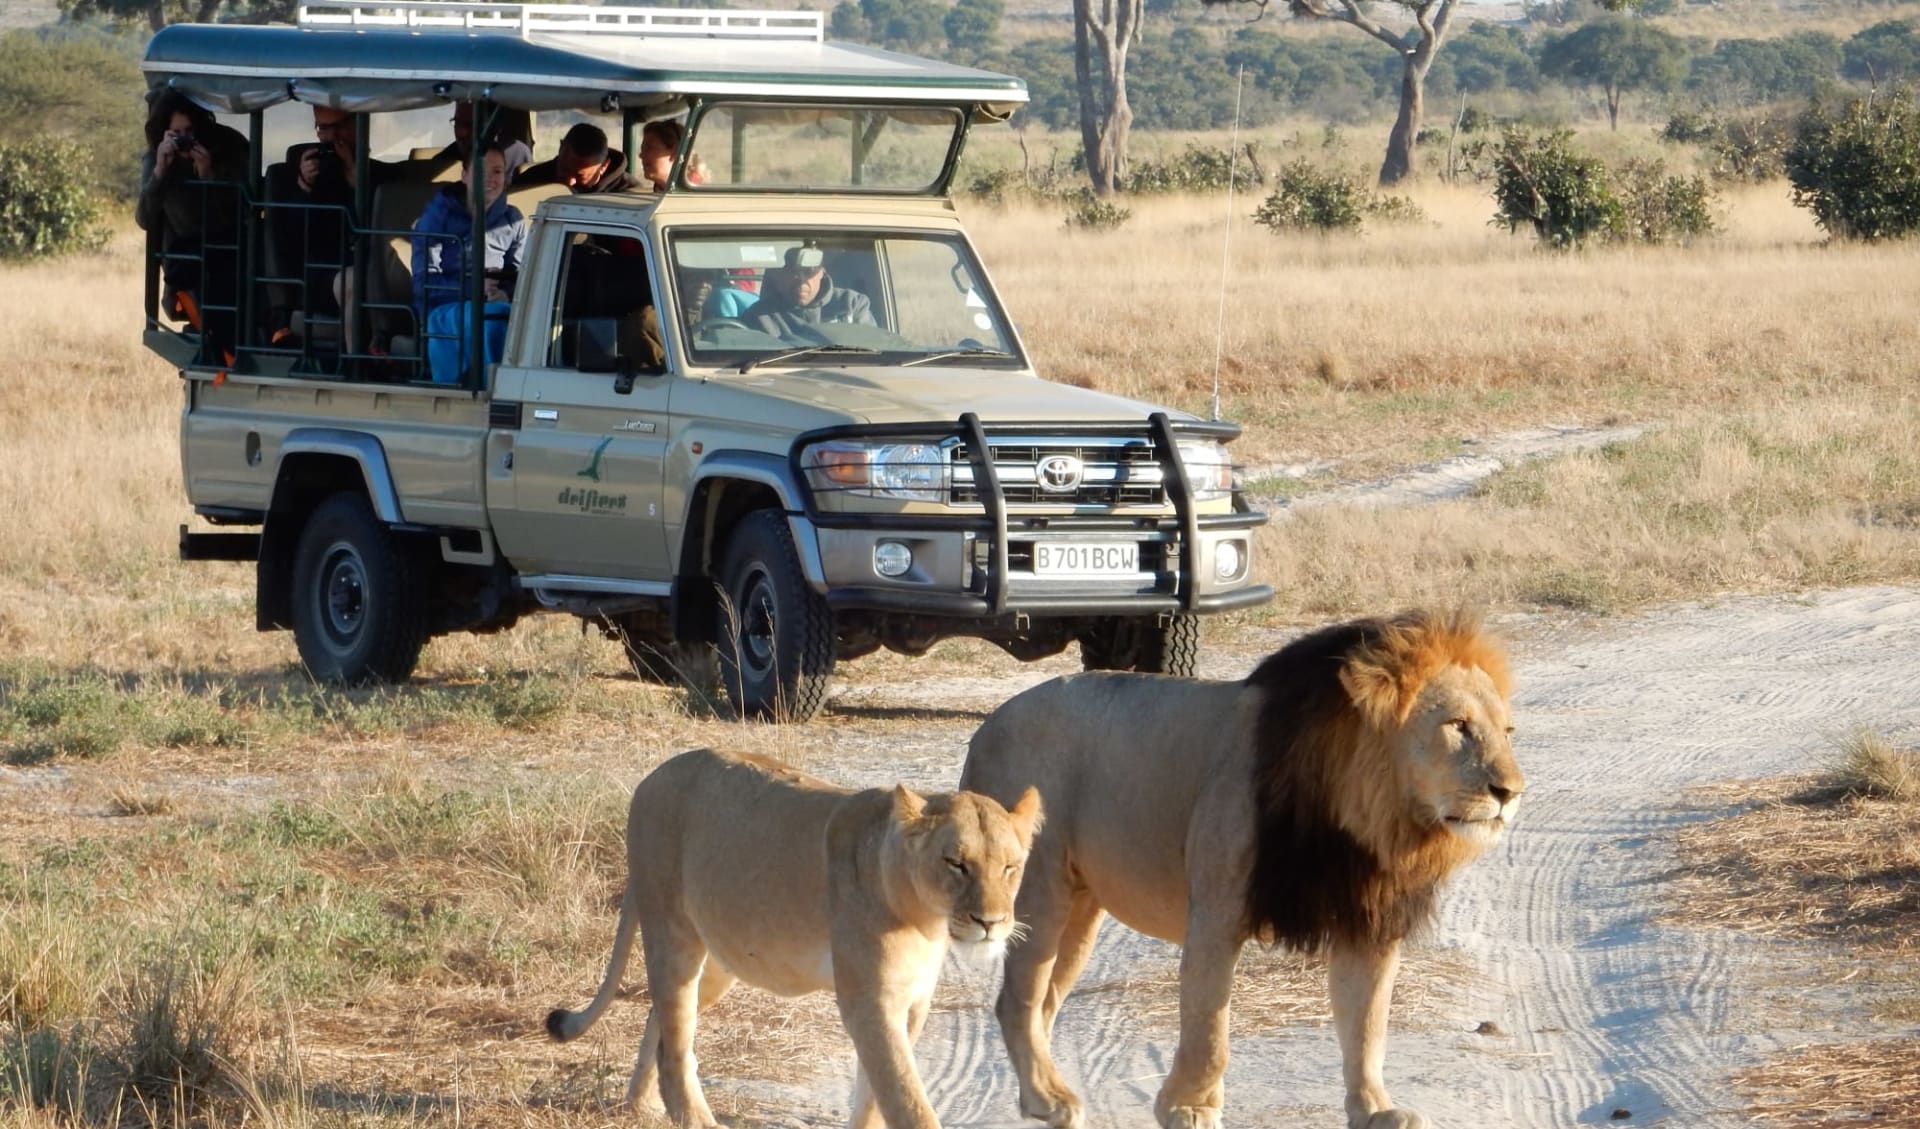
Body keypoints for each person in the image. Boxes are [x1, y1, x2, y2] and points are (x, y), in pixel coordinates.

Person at [265, 105, 400, 346]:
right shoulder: (299, 178)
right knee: (352, 281)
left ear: (356, 126)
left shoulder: (378, 175)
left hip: (376, 265)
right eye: (324, 129)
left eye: (338, 127)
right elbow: (290, 240)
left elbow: (380, 228)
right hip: (320, 272)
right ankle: (354, 364)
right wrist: (305, 187)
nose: (332, 137)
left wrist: (353, 177)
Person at [136, 91, 247, 356]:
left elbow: (239, 214)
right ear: (164, 134)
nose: (184, 140)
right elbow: (144, 219)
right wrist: (160, 173)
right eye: (176, 134)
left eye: (189, 132)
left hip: (227, 244)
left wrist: (209, 177)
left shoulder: (227, 149)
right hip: (185, 252)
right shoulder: (156, 159)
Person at [412, 141, 528, 383]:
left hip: (495, 304)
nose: (490, 179)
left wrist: (505, 293)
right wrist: (474, 291)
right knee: (491, 320)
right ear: (465, 176)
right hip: (444, 308)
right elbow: (425, 283)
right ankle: (491, 387)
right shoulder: (436, 217)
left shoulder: (513, 220)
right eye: (481, 171)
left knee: (527, 320)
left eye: (497, 171)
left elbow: (521, 275)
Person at [740, 245, 874, 338]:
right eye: (791, 271)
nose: (801, 279)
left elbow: (873, 354)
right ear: (776, 275)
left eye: (809, 271)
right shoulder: (758, 318)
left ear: (822, 272)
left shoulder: (852, 305)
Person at [517, 122, 639, 194]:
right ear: (560, 148)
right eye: (564, 169)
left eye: (580, 176)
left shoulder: (627, 193)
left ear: (604, 167)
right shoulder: (530, 183)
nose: (570, 181)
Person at [638, 118, 705, 191]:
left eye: (649, 148)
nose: (641, 155)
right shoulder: (662, 192)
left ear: (675, 152)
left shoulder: (698, 196)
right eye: (642, 149)